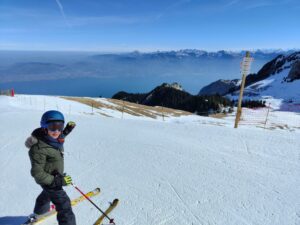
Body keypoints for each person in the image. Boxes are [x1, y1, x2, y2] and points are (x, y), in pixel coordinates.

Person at [25, 110, 77, 225]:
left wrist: (67, 130)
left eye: (60, 126)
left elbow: (59, 136)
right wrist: (57, 181)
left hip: (54, 177)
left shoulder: (53, 139)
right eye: (53, 127)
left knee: (46, 195)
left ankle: (38, 213)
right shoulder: (38, 149)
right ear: (44, 127)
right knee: (64, 206)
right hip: (51, 181)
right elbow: (37, 174)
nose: (57, 131)